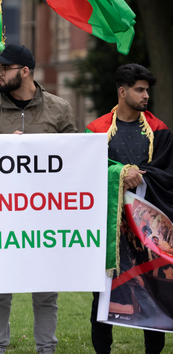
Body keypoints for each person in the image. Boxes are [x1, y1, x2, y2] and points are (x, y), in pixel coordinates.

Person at [0, 45, 76, 354]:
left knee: (46, 290)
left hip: (45, 215)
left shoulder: (59, 109)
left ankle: (46, 349)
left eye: (5, 68)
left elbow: (75, 161)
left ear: (25, 71)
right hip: (0, 215)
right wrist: (5, 146)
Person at [85, 64, 166, 354]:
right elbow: (87, 170)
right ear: (122, 91)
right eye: (139, 90)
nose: (146, 95)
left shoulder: (159, 130)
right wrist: (121, 173)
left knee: (152, 292)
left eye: (147, 90)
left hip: (147, 227)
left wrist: (139, 175)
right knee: (103, 295)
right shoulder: (95, 129)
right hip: (108, 226)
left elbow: (166, 174)